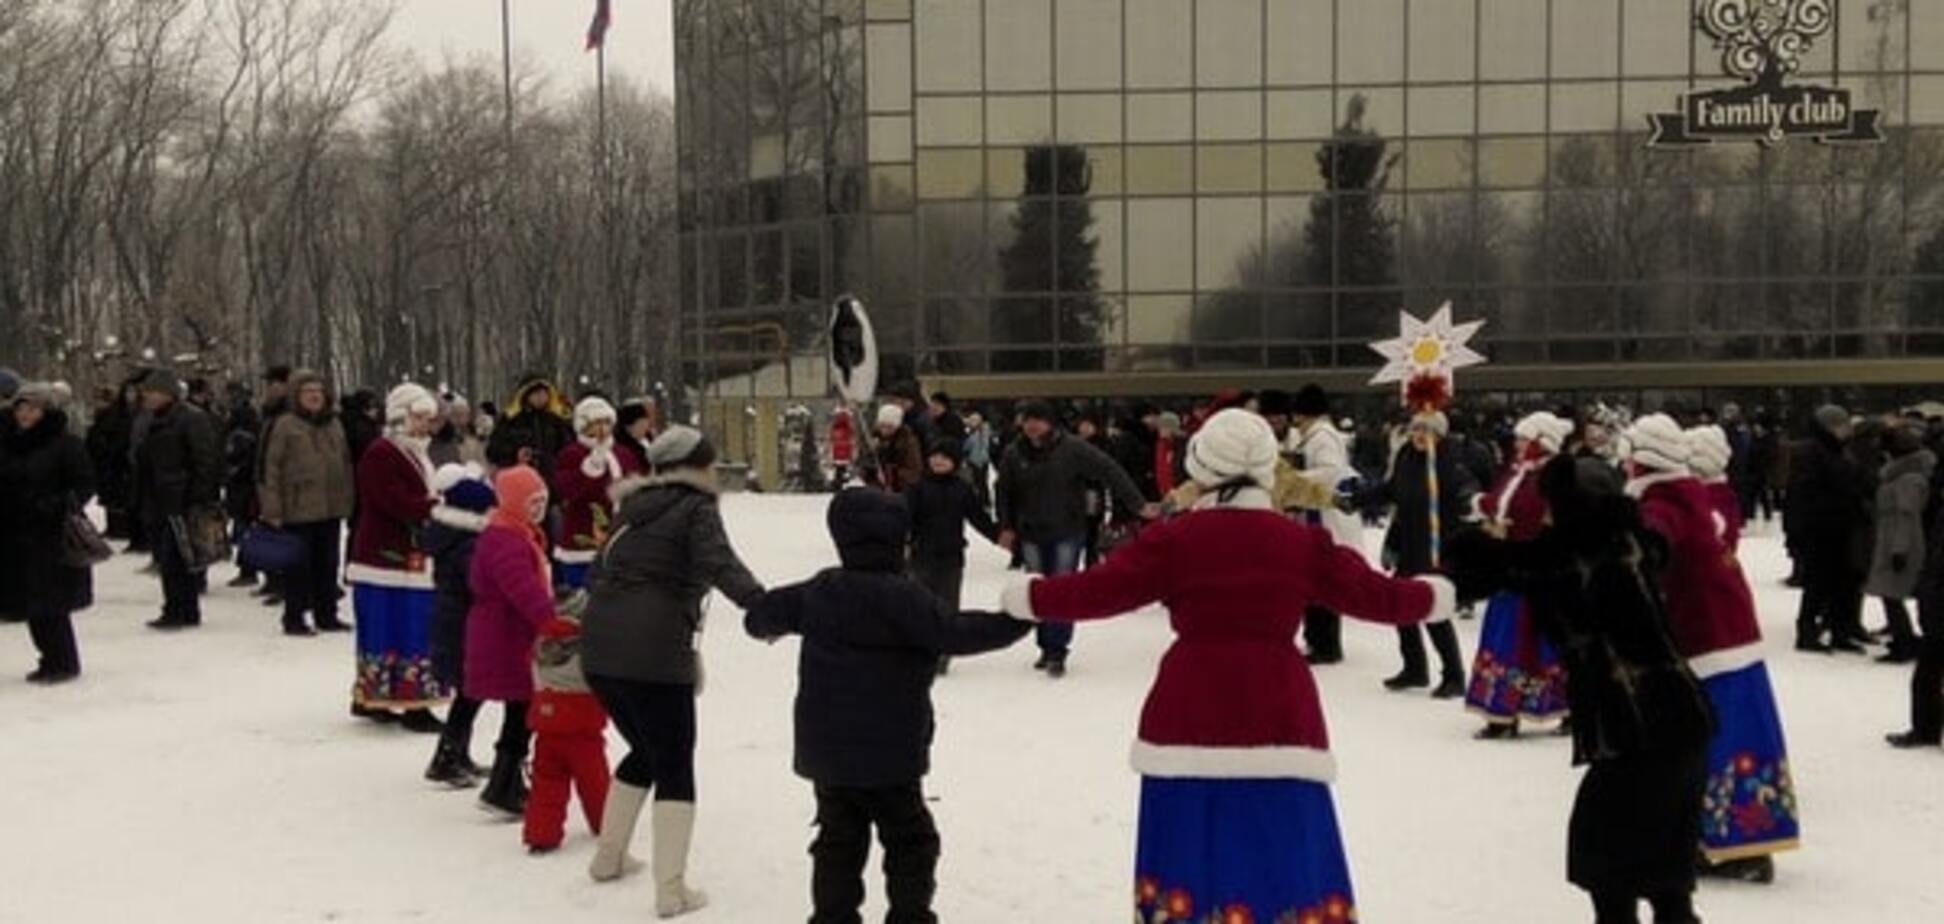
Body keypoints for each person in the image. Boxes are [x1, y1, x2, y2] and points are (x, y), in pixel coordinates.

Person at [1000, 409, 1455, 922]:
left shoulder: (1176, 540)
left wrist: (1034, 596)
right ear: (1267, 465)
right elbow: (1376, 596)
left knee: (1189, 848)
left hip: (1188, 710)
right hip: (1278, 712)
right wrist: (1430, 593)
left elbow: (1101, 590)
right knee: (1282, 845)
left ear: (1203, 466)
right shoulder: (1299, 543)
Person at [1448, 456, 1715, 924]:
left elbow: (1500, 565)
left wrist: (1466, 548)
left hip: (1637, 726)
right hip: (1681, 718)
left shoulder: (1571, 557)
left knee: (1606, 859)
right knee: (1664, 870)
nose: (1545, 513)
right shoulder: (1628, 541)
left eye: (1551, 504)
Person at [745, 488, 1031, 924]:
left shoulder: (820, 591)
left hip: (828, 751)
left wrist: (762, 618)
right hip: (892, 752)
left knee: (838, 838)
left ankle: (833, 917)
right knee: (910, 839)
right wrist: (1018, 619)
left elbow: (762, 616)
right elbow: (957, 632)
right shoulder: (906, 598)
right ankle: (910, 916)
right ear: (900, 541)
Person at [580, 426, 765, 916]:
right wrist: (764, 608)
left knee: (645, 747)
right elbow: (720, 564)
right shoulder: (696, 508)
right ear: (694, 467)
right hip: (653, 650)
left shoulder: (630, 511)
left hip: (599, 648)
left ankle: (608, 857)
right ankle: (671, 890)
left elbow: (598, 572)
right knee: (674, 761)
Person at [1623, 414, 1800, 885]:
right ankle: (1723, 837)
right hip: (1721, 637)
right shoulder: (1686, 494)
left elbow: (1651, 546)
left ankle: (1736, 845)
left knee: (1714, 742)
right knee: (1726, 737)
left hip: (1707, 643)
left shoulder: (1665, 503)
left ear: (1641, 462)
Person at [995, 400, 1154, 677]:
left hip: (1066, 529)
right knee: (1037, 587)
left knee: (1062, 586)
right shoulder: (1014, 451)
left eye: (1039, 419)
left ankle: (1057, 649)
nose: (1032, 426)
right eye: (1028, 420)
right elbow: (1004, 491)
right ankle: (1045, 645)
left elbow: (1109, 470)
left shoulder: (1072, 448)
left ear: (1051, 422)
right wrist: (1006, 526)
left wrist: (1137, 503)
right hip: (1031, 529)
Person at [1463, 411, 1574, 738]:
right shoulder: (1518, 472)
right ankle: (1504, 709)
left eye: (1526, 440)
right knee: (1507, 639)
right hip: (1510, 569)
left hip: (1540, 573)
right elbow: (1501, 503)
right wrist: (1483, 506)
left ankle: (1558, 707)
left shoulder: (1554, 477)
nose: (1519, 444)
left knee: (1540, 642)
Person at [346, 384, 446, 732]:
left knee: (411, 624)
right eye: (419, 418)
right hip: (384, 557)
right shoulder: (381, 453)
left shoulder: (417, 452)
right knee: (391, 625)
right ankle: (396, 697)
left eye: (428, 419)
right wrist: (435, 507)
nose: (425, 426)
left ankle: (391, 695)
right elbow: (389, 500)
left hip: (410, 555)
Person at [1358, 409, 1477, 698]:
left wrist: (1469, 502)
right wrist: (1360, 499)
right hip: (1409, 542)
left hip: (1438, 546)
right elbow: (1391, 490)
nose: (1419, 436)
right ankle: (1414, 667)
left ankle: (1454, 675)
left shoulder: (1450, 462)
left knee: (1434, 608)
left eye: (1427, 431)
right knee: (1401, 605)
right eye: (1416, 430)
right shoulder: (1406, 457)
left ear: (1440, 435)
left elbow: (1467, 491)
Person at [466, 465, 557, 818]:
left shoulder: (517, 532)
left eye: (542, 502)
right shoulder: (507, 538)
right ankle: (504, 786)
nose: (538, 509)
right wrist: (550, 620)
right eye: (531, 502)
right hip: (506, 636)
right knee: (520, 711)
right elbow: (522, 589)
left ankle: (506, 782)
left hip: (509, 632)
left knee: (519, 712)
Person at [1, 382, 97, 682]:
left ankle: (64, 661)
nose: (26, 414)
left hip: (51, 535)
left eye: (33, 408)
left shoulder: (64, 444)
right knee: (30, 601)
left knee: (52, 603)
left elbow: (84, 484)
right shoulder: (9, 442)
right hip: (15, 533)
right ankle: (47, 658)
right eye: (21, 407)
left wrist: (54, 505)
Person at [258, 371, 355, 636]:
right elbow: (272, 468)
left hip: (330, 507)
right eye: (307, 391)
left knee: (328, 564)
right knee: (298, 568)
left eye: (318, 391)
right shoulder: (285, 425)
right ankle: (295, 617)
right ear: (296, 397)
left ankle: (327, 614)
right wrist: (272, 507)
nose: (314, 396)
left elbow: (346, 463)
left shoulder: (334, 424)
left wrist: (348, 499)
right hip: (297, 508)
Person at [422, 465, 495, 787]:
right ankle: (447, 757)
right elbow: (478, 582)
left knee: (470, 693)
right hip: (462, 627)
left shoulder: (450, 534)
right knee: (469, 693)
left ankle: (457, 753)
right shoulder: (466, 542)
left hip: (455, 623)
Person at [134, 370, 221, 631]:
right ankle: (184, 608)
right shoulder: (154, 421)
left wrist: (197, 496)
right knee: (172, 557)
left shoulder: (190, 420)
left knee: (176, 558)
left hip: (182, 499)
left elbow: (205, 460)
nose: (147, 397)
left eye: (152, 392)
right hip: (161, 497)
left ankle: (177, 609)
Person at [906, 439, 1002, 676]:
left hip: (951, 556)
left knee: (948, 606)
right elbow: (904, 517)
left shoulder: (962, 489)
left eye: (945, 458)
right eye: (935, 456)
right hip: (922, 555)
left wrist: (999, 537)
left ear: (955, 463)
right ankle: (919, 650)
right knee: (920, 604)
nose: (938, 461)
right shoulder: (917, 487)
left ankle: (943, 652)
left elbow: (977, 518)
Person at [1287, 385, 1363, 665]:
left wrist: (1295, 478)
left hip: (1322, 514)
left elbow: (1331, 470)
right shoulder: (1316, 435)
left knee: (1321, 577)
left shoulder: (1322, 437)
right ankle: (1317, 638)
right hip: (1314, 512)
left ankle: (1326, 643)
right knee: (1314, 578)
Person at [525, 612, 611, 853]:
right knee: (595, 783)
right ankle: (606, 823)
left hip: (547, 731)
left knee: (546, 785)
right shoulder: (586, 658)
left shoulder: (539, 657)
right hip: (584, 735)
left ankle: (540, 834)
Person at [1787, 405, 1870, 653]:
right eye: (1842, 425)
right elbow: (1805, 493)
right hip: (1821, 528)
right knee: (1817, 583)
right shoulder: (1813, 452)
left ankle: (1839, 631)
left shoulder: (1838, 451)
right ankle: (1807, 631)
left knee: (1841, 583)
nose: (1848, 430)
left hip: (1841, 527)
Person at [553, 396, 642, 590]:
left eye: (606, 422)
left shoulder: (623, 453)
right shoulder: (572, 454)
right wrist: (594, 464)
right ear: (583, 426)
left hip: (621, 537)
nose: (602, 428)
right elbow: (568, 490)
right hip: (584, 535)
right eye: (596, 422)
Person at [1865, 426, 1933, 665]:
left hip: (1899, 541)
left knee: (1891, 593)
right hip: (1893, 539)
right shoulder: (1906, 475)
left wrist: (1899, 549)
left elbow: (1907, 515)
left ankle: (1904, 642)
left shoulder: (1908, 479)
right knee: (1891, 593)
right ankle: (1904, 639)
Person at [487, 374, 575, 484]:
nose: (541, 397)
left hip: (553, 481)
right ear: (525, 395)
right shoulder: (511, 420)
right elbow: (493, 450)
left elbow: (568, 448)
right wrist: (515, 454)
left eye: (544, 393)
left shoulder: (557, 420)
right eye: (536, 393)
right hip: (520, 481)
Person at [86, 379, 139, 543]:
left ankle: (128, 528)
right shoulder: (112, 413)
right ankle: (115, 526)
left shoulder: (141, 414)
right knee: (113, 496)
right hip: (112, 461)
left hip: (128, 461)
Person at [222, 383, 264, 589]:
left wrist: (234, 468)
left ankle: (249, 568)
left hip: (243, 481)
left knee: (245, 525)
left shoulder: (243, 419)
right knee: (244, 524)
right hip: (241, 480)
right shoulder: (247, 417)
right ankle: (248, 566)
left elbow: (241, 449)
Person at [870, 403, 924, 494]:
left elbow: (914, 471)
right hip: (875, 487)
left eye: (889, 427)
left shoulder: (908, 442)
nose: (884, 430)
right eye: (882, 426)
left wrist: (892, 474)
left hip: (898, 489)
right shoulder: (873, 438)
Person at [429, 395, 488, 469]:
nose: (460, 419)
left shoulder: (474, 438)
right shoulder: (445, 438)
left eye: (463, 414)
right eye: (456, 415)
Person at [962, 410, 993, 512]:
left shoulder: (984, 431)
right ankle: (977, 502)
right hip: (973, 460)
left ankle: (985, 503)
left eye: (975, 420)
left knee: (982, 483)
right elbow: (966, 447)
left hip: (982, 460)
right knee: (974, 482)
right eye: (972, 420)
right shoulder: (970, 432)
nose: (972, 422)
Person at [615, 399, 656, 473]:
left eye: (646, 423)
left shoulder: (649, 441)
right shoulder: (623, 450)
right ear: (628, 427)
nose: (646, 427)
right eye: (641, 424)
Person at [828, 406, 856, 488]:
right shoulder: (848, 428)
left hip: (838, 450)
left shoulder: (835, 427)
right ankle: (841, 480)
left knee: (839, 469)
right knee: (841, 469)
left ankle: (839, 482)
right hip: (844, 450)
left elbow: (832, 438)